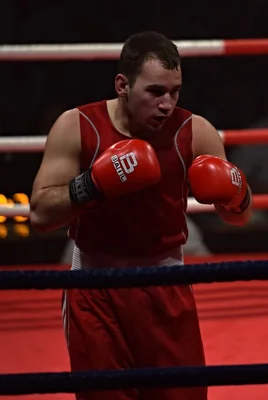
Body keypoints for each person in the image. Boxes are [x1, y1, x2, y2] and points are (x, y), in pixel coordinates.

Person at [29, 31, 253, 400]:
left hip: (165, 284)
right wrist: (94, 184)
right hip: (94, 287)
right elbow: (40, 214)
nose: (167, 103)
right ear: (122, 85)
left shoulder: (194, 132)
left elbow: (239, 218)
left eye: (175, 91)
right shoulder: (78, 126)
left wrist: (237, 193)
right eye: (155, 92)